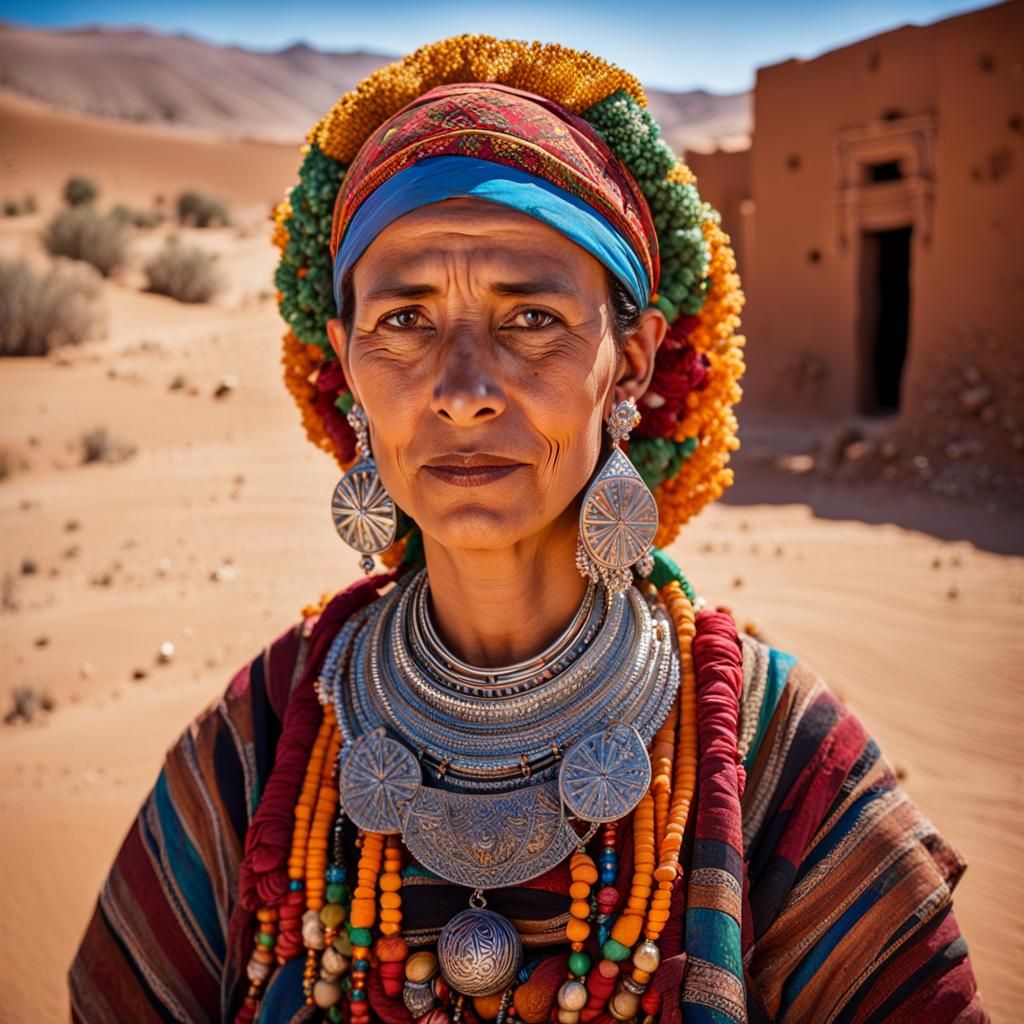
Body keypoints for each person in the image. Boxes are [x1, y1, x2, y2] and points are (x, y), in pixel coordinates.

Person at [68, 35, 987, 1024]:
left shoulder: (779, 765)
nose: (461, 390)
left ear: (631, 361)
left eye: (532, 318)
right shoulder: (253, 753)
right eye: (405, 322)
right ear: (344, 362)